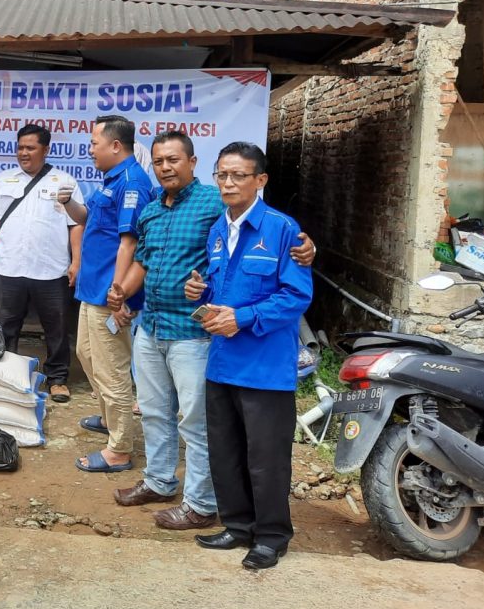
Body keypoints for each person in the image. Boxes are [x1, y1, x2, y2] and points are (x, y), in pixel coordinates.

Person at [108, 132, 315, 532]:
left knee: (197, 422)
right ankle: (160, 481)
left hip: (195, 335)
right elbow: (148, 262)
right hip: (152, 327)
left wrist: (309, 247)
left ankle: (202, 503)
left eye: (173, 159)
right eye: (158, 161)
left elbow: (286, 254)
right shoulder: (157, 210)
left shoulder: (213, 204)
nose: (165, 167)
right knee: (154, 412)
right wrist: (124, 293)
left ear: (192, 162)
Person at [185, 142, 313, 570]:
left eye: (238, 175)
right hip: (222, 363)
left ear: (260, 180)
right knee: (226, 451)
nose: (228, 182)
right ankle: (238, 526)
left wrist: (242, 317)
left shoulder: (283, 230)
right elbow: (223, 288)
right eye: (222, 174)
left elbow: (297, 296)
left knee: (266, 458)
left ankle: (272, 536)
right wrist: (201, 293)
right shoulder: (219, 229)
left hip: (265, 367)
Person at [61, 115, 152, 473]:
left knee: (112, 370)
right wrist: (68, 204)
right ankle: (108, 418)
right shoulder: (111, 179)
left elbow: (130, 243)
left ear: (116, 145)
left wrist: (120, 296)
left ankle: (120, 449)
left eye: (94, 143)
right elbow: (87, 218)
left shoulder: (132, 183)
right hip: (93, 289)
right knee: (86, 355)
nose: (90, 150)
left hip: (109, 295)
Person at [0, 124, 84, 403]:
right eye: (20, 147)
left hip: (51, 269)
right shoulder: (3, 180)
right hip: (10, 267)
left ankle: (57, 378)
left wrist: (76, 261)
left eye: (30, 148)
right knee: (7, 325)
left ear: (46, 150)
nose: (23, 153)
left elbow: (75, 224)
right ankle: (8, 375)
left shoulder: (64, 182)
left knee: (56, 327)